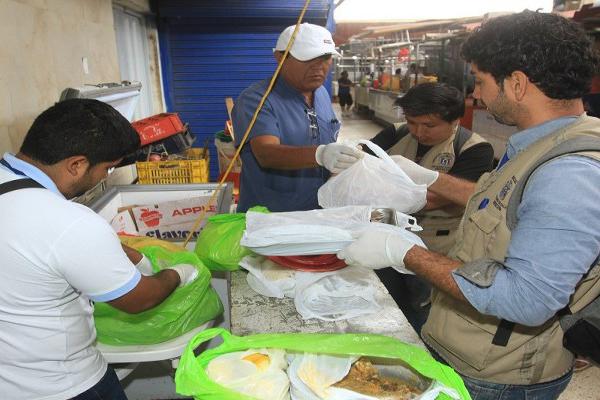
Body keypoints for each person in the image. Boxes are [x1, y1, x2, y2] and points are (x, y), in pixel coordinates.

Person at [338, 11, 600, 400]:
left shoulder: (570, 172)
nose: (475, 94)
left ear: (517, 84)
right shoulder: (545, 142)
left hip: (498, 375)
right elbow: (511, 206)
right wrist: (427, 177)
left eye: (479, 81)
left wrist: (404, 252)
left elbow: (527, 299)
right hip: (470, 346)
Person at [0, 99, 198, 400]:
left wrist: (114, 252)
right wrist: (178, 274)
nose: (104, 177)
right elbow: (140, 299)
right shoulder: (68, 222)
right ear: (76, 165)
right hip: (66, 385)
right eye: (106, 169)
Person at [365, 82, 494, 333]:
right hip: (388, 229)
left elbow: (437, 199)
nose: (419, 132)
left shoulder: (474, 149)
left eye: (429, 126)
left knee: (425, 308)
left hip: (435, 244)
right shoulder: (397, 133)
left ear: (455, 120)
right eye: (413, 122)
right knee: (387, 298)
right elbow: (360, 165)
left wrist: (379, 186)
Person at [232, 23, 363, 212]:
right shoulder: (257, 99)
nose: (319, 67)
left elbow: (325, 141)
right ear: (280, 57)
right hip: (270, 219)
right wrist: (320, 154)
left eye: (326, 58)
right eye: (308, 58)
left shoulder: (323, 96)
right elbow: (266, 153)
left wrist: (342, 157)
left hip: (318, 213)